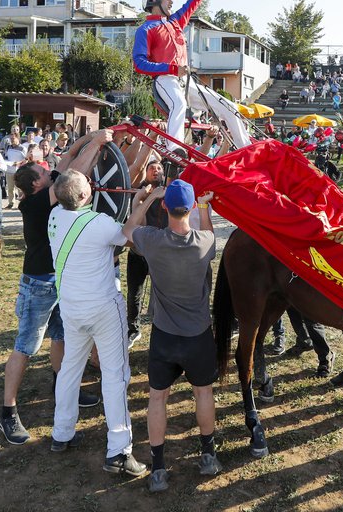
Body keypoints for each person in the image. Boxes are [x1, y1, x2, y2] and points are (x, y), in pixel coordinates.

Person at [0, 131, 110, 446]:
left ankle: (62, 387)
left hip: (60, 280)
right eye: (45, 173)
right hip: (38, 284)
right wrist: (98, 144)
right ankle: (8, 411)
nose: (51, 171)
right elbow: (75, 172)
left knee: (61, 337)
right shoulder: (35, 203)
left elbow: (68, 157)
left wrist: (89, 138)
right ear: (36, 184)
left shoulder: (44, 189)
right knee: (26, 346)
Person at [124, 181, 222, 492]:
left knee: (157, 397)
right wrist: (205, 207)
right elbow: (210, 236)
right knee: (203, 393)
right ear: (191, 208)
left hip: (165, 336)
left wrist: (148, 198)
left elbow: (128, 230)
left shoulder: (151, 240)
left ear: (165, 208)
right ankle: (208, 456)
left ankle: (159, 468)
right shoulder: (204, 242)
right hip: (198, 335)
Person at [47, 169, 145, 478]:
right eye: (88, 184)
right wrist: (144, 200)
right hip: (103, 308)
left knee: (70, 370)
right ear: (85, 196)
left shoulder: (53, 216)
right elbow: (128, 235)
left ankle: (61, 433)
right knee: (116, 376)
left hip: (72, 309)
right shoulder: (97, 223)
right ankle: (119, 450)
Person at [133, 0, 251, 150]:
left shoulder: (176, 21)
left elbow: (193, 1)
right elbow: (139, 63)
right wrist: (172, 68)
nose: (171, 1)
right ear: (153, 0)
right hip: (165, 80)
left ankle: (247, 149)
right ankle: (174, 148)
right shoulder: (145, 29)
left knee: (229, 107)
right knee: (178, 104)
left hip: (186, 81)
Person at [124, 159, 167, 348]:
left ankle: (162, 329)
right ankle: (133, 329)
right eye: (152, 168)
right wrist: (140, 200)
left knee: (163, 294)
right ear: (146, 173)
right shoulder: (138, 191)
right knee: (134, 292)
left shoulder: (169, 192)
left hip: (160, 254)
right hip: (139, 253)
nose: (156, 171)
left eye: (159, 168)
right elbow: (136, 228)